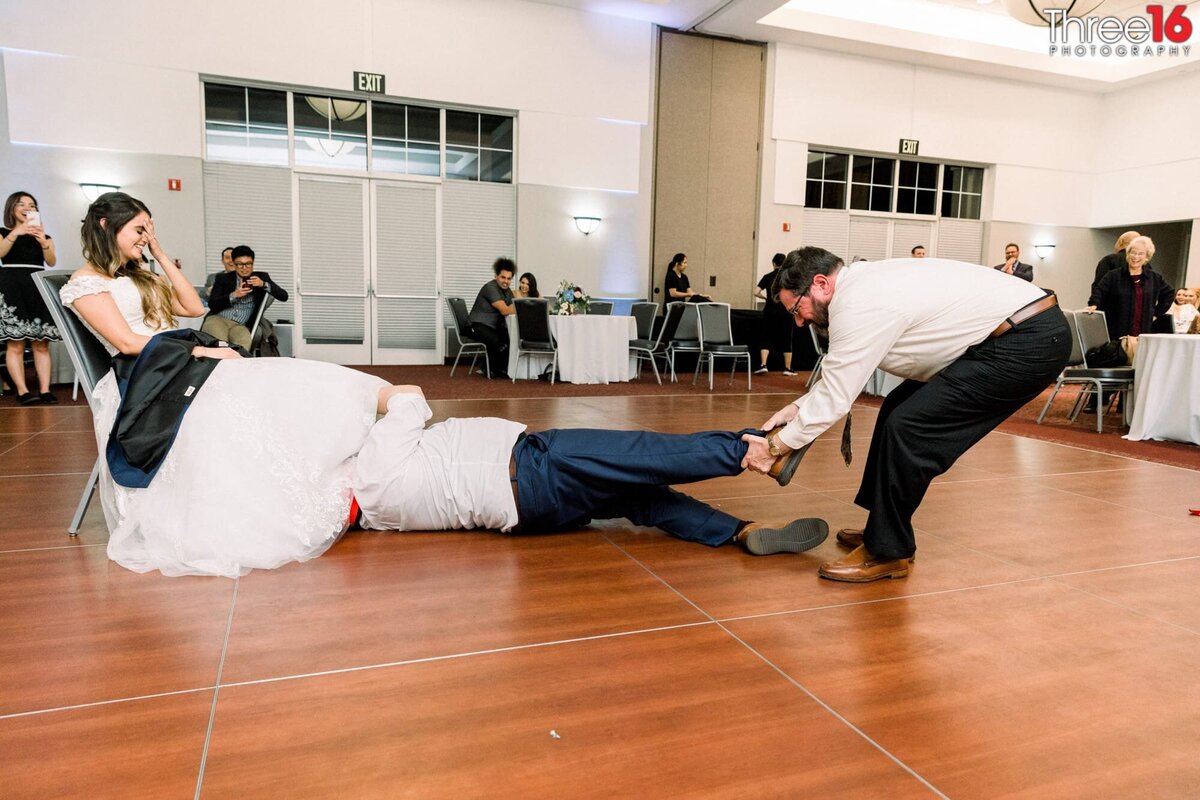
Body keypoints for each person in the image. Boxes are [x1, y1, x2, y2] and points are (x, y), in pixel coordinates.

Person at [61, 192, 394, 578]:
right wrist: (201, 355)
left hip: (172, 363)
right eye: (139, 229)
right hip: (145, 379)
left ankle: (364, 414)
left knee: (271, 375)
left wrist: (161, 254)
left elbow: (193, 307)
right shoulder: (85, 282)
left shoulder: (136, 274)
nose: (145, 237)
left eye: (149, 230)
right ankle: (372, 409)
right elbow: (127, 343)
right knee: (255, 381)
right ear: (106, 225)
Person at [742, 248, 1071, 583]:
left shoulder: (858, 302)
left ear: (821, 284)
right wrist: (797, 409)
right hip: (1013, 332)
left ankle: (888, 551)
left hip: (1029, 339)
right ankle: (882, 530)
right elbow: (842, 373)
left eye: (797, 309)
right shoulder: (859, 287)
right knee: (896, 408)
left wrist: (776, 447)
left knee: (909, 428)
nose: (799, 321)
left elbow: (837, 398)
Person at [353, 386, 828, 556]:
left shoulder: (374, 514)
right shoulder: (373, 463)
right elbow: (408, 396)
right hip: (535, 465)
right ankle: (755, 452)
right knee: (647, 454)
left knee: (639, 497)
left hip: (529, 513)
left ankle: (740, 532)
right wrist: (353, 396)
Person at [0, 191, 61, 404]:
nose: (27, 207)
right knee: (15, 343)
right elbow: (0, 253)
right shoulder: (3, 232)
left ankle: (45, 390)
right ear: (12, 208)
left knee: (41, 342)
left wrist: (43, 242)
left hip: (38, 286)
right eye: (21, 204)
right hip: (12, 287)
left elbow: (51, 262)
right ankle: (22, 391)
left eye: (32, 204)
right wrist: (16, 232)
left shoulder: (45, 236)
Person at [201, 245, 288, 352]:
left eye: (248, 264)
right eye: (240, 264)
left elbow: (284, 296)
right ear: (234, 264)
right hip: (218, 319)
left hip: (241, 325)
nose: (244, 268)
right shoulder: (223, 278)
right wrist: (234, 295)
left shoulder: (262, 277)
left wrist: (264, 284)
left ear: (253, 262)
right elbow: (212, 304)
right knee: (219, 346)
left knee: (242, 349)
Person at [1086, 235, 1173, 341]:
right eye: (1133, 252)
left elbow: (1169, 294)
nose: (1136, 257)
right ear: (1128, 254)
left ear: (1147, 257)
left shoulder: (1154, 278)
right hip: (1116, 332)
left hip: (1142, 333)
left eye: (1140, 254)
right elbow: (1099, 291)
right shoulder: (1113, 276)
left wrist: (1156, 314)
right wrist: (1094, 304)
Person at [467, 258, 517, 379]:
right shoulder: (491, 288)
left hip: (491, 326)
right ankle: (493, 369)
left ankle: (499, 368)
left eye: (509, 278)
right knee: (497, 341)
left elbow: (512, 305)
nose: (506, 281)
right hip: (476, 325)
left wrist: (516, 305)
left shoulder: (507, 290)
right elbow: (505, 310)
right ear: (496, 276)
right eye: (503, 277)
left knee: (510, 337)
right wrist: (521, 306)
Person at [754, 253, 795, 376]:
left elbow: (756, 292)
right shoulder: (789, 278)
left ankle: (763, 365)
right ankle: (787, 369)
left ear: (773, 263)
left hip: (769, 311)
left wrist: (766, 298)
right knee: (787, 340)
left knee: (766, 337)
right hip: (785, 312)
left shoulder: (767, 277)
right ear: (785, 264)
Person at [1091, 230, 1140, 297]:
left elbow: (1099, 287)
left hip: (1112, 306)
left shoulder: (1109, 260)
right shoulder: (1145, 264)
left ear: (1121, 242)